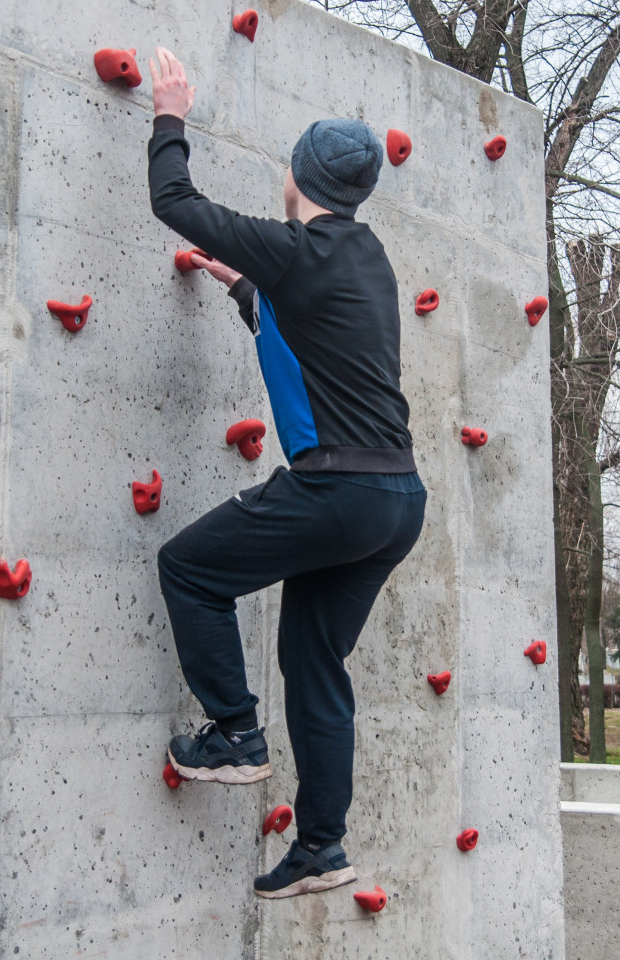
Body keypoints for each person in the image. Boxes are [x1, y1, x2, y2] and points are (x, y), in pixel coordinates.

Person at [145, 48, 427, 900]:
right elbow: (316, 340)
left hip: (336, 491)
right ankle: (322, 847)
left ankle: (233, 730)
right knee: (313, 665)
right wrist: (245, 287)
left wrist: (170, 114)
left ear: (296, 176)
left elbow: (174, 202)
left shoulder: (298, 251)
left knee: (189, 567)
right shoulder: (367, 259)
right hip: (396, 501)